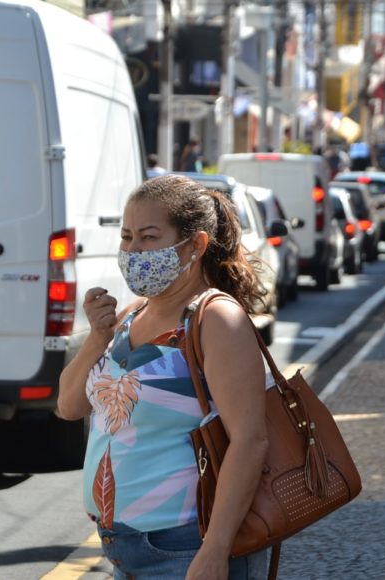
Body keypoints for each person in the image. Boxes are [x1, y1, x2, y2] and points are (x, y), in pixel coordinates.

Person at [57, 175, 270, 578]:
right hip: (124, 550)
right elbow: (69, 406)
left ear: (196, 245)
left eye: (149, 237)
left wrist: (215, 550)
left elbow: (250, 440)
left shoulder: (215, 319)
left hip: (186, 547)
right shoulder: (130, 316)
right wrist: (96, 339)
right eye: (127, 237)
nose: (133, 251)